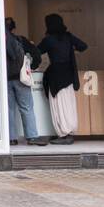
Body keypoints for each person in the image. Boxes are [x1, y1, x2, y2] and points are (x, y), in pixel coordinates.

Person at [39, 13, 89, 145]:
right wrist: (72, 50)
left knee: (58, 104)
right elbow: (83, 46)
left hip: (56, 75)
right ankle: (69, 132)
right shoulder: (68, 37)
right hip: (69, 74)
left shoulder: (48, 40)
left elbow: (37, 52)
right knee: (68, 103)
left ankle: (63, 133)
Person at [6, 18, 49, 146]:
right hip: (21, 79)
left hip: (5, 79)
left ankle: (10, 138)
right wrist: (31, 68)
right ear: (13, 28)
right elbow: (36, 54)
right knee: (26, 108)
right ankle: (32, 137)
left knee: (8, 109)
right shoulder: (20, 40)